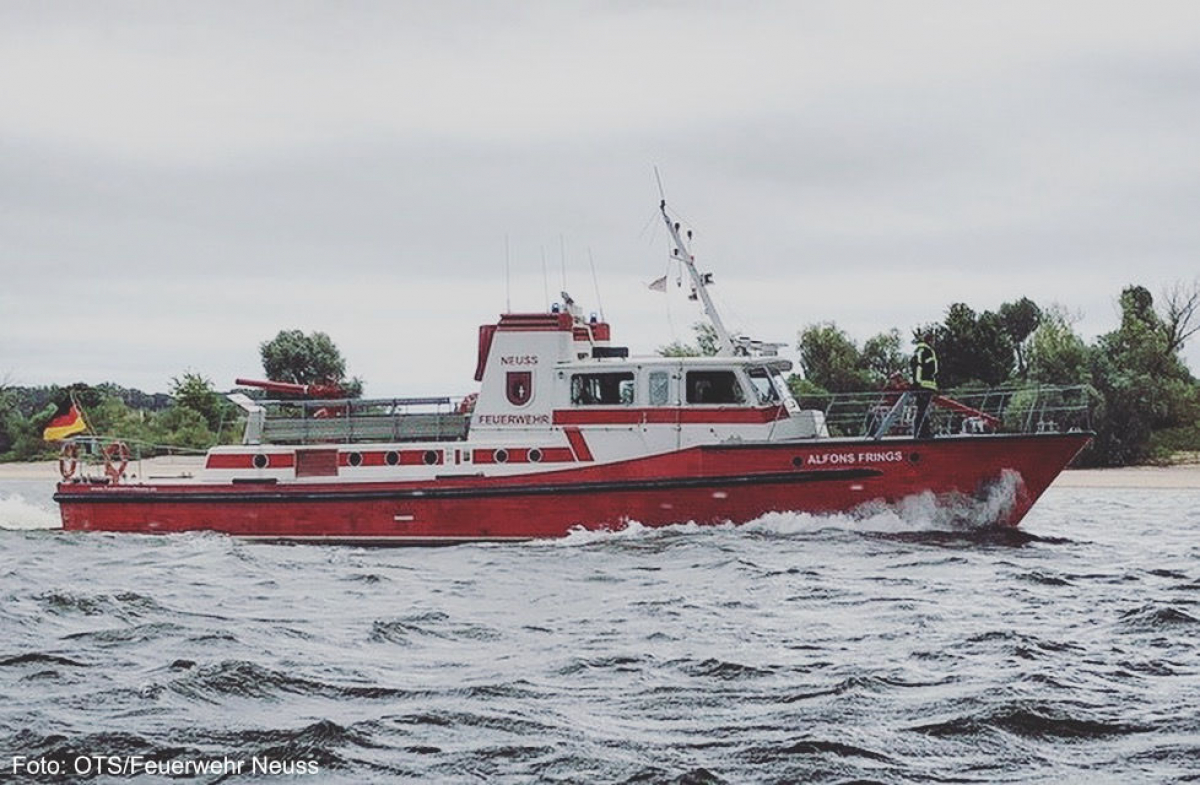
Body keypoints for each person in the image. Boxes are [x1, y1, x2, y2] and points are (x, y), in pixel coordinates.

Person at [910, 333, 939, 438]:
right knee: (922, 410)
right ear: (930, 340)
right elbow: (919, 367)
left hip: (927, 385)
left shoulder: (925, 351)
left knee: (923, 410)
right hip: (924, 385)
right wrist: (918, 383)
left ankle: (924, 432)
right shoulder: (924, 351)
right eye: (933, 340)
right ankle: (922, 433)